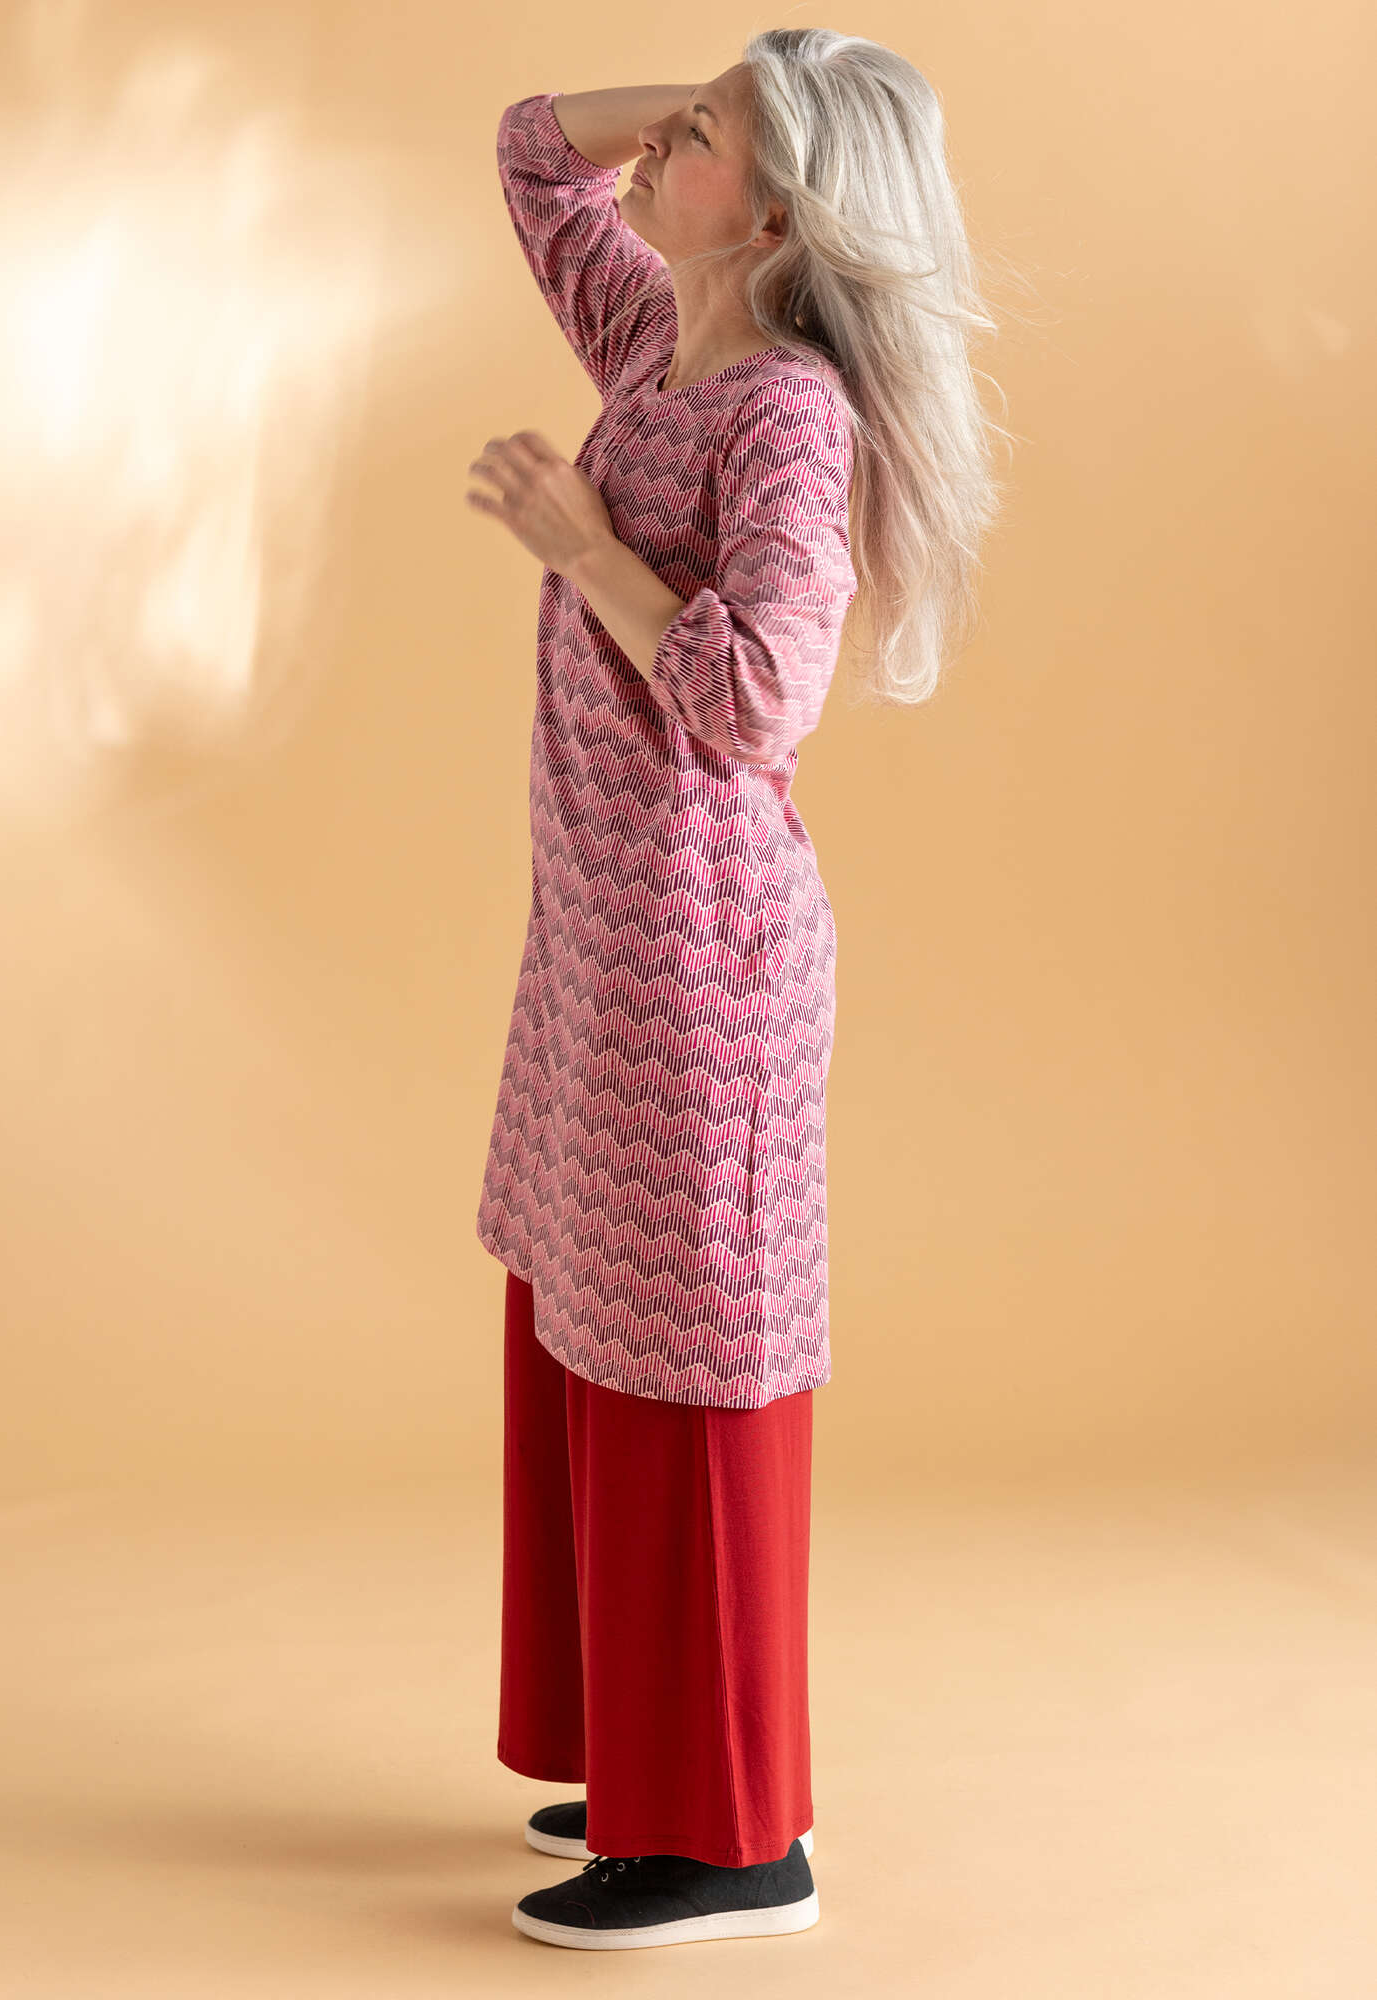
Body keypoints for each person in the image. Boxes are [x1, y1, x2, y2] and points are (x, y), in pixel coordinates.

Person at [468, 32, 1004, 1950]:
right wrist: (724, 92)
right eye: (682, 121)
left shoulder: (782, 412)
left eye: (701, 139)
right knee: (594, 1333)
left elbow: (760, 698)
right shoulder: (657, 346)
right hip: (604, 950)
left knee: (691, 1368)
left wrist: (582, 544)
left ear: (775, 215)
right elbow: (533, 155)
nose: (660, 146)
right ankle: (647, 1763)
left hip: (700, 960)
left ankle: (730, 1844)